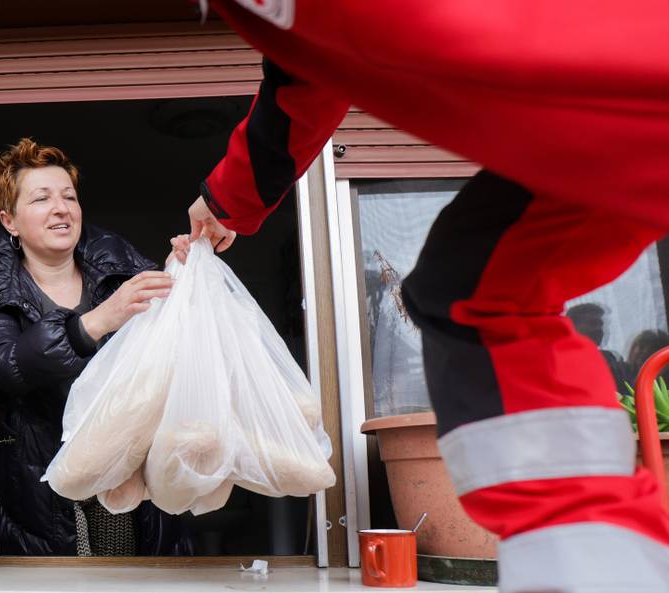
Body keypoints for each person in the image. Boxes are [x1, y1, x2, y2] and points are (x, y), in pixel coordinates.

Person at [179, 3, 669, 591]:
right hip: (610, 101)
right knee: (472, 291)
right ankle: (596, 564)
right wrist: (232, 196)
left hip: (624, 80)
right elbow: (302, 79)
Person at [0, 139, 183, 556]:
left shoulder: (120, 268)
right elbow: (3, 366)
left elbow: (172, 341)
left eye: (69, 197)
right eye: (41, 199)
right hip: (43, 478)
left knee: (134, 579)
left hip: (129, 467)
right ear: (10, 221)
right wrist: (92, 324)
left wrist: (181, 268)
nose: (61, 208)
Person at [566, 303, 634, 392]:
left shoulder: (610, 359)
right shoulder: (561, 362)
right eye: (592, 323)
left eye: (601, 324)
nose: (599, 329)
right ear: (573, 326)